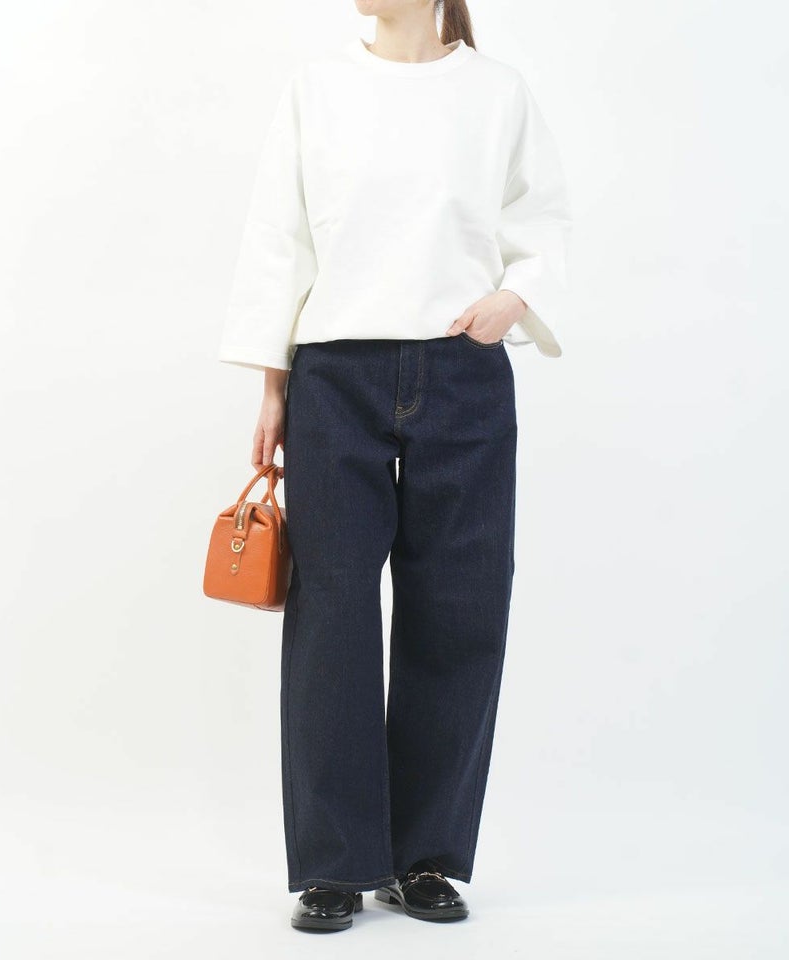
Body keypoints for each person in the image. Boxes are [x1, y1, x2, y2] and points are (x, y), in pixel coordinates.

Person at [217, 0, 572, 933]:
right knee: (331, 609)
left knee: (461, 605)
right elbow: (279, 239)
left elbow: (544, 217)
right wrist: (272, 388)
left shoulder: (496, 92)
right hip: (336, 377)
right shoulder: (318, 87)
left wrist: (514, 297)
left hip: (463, 370)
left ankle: (425, 857)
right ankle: (335, 863)